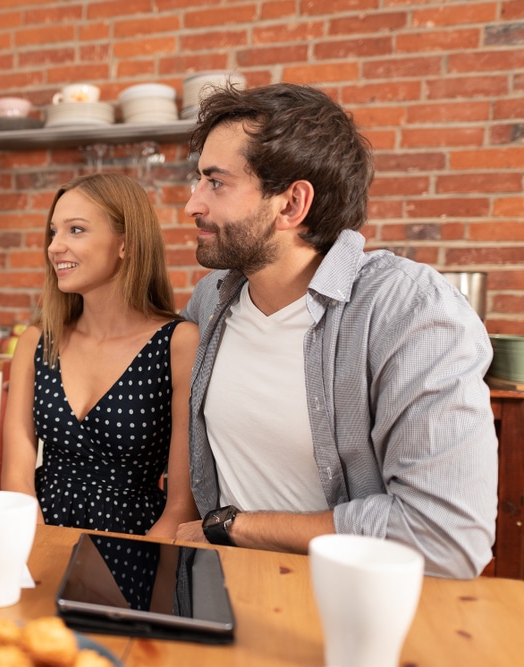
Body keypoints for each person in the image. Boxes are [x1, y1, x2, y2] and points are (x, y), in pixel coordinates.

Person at [175, 82, 497, 578]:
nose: (193, 204)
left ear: (291, 204)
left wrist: (231, 526)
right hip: (217, 596)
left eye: (216, 183)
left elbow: (445, 539)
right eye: (199, 180)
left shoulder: (409, 311)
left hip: (349, 608)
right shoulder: (211, 300)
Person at [2, 172, 198, 539]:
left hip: (138, 540)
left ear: (125, 244)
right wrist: (41, 551)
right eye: (53, 232)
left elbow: (180, 508)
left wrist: (144, 569)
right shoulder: (37, 341)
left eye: (75, 230)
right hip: (39, 533)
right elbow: (17, 482)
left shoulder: (179, 344)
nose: (54, 247)